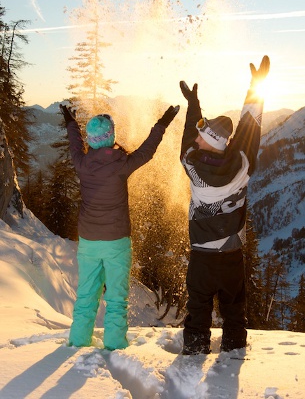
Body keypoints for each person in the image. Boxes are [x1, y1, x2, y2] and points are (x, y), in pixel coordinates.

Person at [60, 103, 180, 350]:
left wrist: (70, 121)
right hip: (116, 242)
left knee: (86, 296)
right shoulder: (121, 164)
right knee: (116, 298)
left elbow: (74, 143)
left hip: (89, 242)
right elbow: (147, 151)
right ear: (111, 136)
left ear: (91, 141)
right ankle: (114, 345)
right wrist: (163, 123)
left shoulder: (82, 164)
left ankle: (78, 341)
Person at [179, 55, 270, 355]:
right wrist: (256, 87)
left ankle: (194, 354)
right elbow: (250, 126)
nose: (197, 138)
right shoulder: (243, 163)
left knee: (198, 308)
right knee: (234, 309)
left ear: (208, 143)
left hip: (203, 256)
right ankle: (233, 353)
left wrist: (194, 105)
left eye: (202, 137)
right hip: (232, 253)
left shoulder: (192, 166)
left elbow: (189, 139)